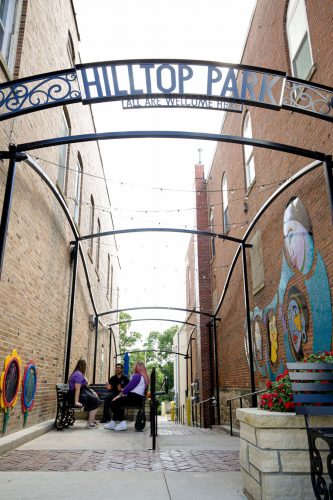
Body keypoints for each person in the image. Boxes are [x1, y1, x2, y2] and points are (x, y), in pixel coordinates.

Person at [104, 361, 149, 431]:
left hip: (134, 398)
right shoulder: (143, 376)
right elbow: (130, 388)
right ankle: (112, 423)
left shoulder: (137, 376)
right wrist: (121, 391)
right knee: (116, 402)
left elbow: (128, 388)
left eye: (134, 365)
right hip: (137, 398)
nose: (133, 367)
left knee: (113, 403)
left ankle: (122, 423)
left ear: (138, 367)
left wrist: (118, 396)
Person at [68, 359, 101, 429]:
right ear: (83, 366)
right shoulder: (78, 375)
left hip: (80, 394)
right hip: (74, 396)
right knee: (97, 401)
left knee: (96, 399)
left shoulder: (79, 373)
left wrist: (92, 392)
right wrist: (76, 401)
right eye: (86, 365)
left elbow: (84, 387)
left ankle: (92, 420)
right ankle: (89, 423)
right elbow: (77, 389)